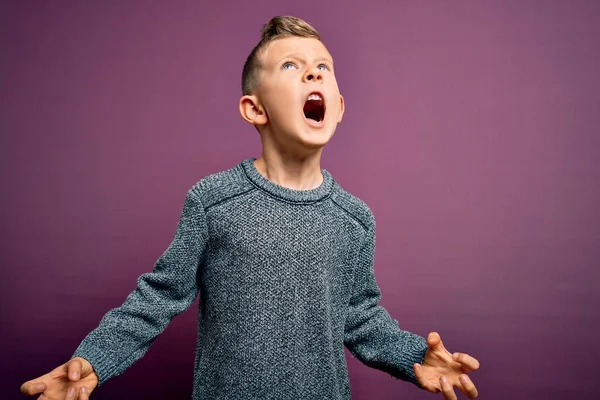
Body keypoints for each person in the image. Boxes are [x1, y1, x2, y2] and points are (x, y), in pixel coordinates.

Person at [20, 16, 480, 400]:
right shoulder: (213, 201)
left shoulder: (354, 220)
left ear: (338, 107)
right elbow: (157, 298)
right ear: (254, 108)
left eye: (323, 66)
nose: (314, 74)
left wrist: (415, 356)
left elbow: (360, 318)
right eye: (291, 65)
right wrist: (95, 359)